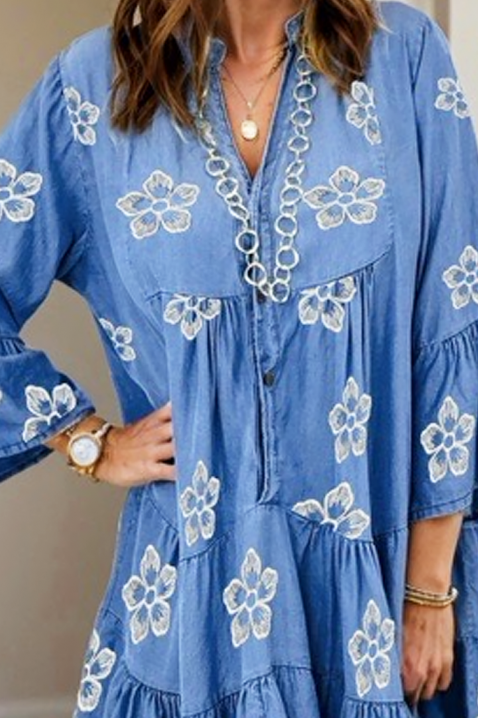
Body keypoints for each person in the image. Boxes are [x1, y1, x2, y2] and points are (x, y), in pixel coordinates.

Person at [0, 0, 477, 715]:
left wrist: (428, 589)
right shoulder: (92, 86)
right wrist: (91, 442)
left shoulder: (404, 55)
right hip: (189, 608)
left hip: (373, 608)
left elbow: (453, 316)